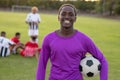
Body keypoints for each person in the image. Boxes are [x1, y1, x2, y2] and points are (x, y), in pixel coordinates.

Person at [36, 4, 108, 80]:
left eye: (71, 14)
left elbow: (102, 60)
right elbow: (42, 65)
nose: (67, 17)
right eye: (63, 14)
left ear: (75, 18)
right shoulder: (49, 39)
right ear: (58, 17)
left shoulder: (83, 39)